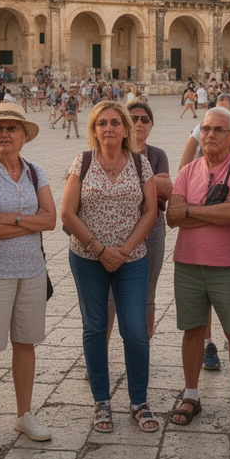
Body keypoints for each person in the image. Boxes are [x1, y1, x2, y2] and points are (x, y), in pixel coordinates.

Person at [62, 101, 160, 433]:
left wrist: (125, 249)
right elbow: (67, 213)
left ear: (125, 129)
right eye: (102, 123)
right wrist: (100, 248)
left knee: (134, 329)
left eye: (116, 122)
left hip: (131, 259)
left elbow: (150, 211)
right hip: (88, 257)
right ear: (94, 129)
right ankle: (101, 401)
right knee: (95, 327)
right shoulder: (83, 161)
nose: (109, 128)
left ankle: (139, 400)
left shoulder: (140, 163)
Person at [0, 103, 57, 451]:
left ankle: (23, 413)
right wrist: (26, 220)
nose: (5, 134)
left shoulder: (36, 172)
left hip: (32, 270)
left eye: (12, 129)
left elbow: (50, 220)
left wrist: (11, 218)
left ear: (24, 137)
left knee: (25, 343)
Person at [166, 107, 230, 431]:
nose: (210, 135)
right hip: (188, 264)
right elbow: (171, 216)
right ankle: (191, 393)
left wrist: (192, 212)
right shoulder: (187, 171)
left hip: (229, 266)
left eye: (218, 130)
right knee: (192, 331)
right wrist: (210, 212)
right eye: (205, 129)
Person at [126, 100, 172, 337]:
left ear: (151, 125)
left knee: (148, 295)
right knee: (111, 298)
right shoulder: (113, 153)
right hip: (118, 232)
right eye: (133, 118)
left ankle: (142, 351)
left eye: (144, 119)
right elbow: (157, 189)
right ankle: (100, 357)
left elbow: (167, 190)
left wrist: (129, 186)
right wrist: (151, 185)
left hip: (152, 231)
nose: (139, 123)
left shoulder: (157, 155)